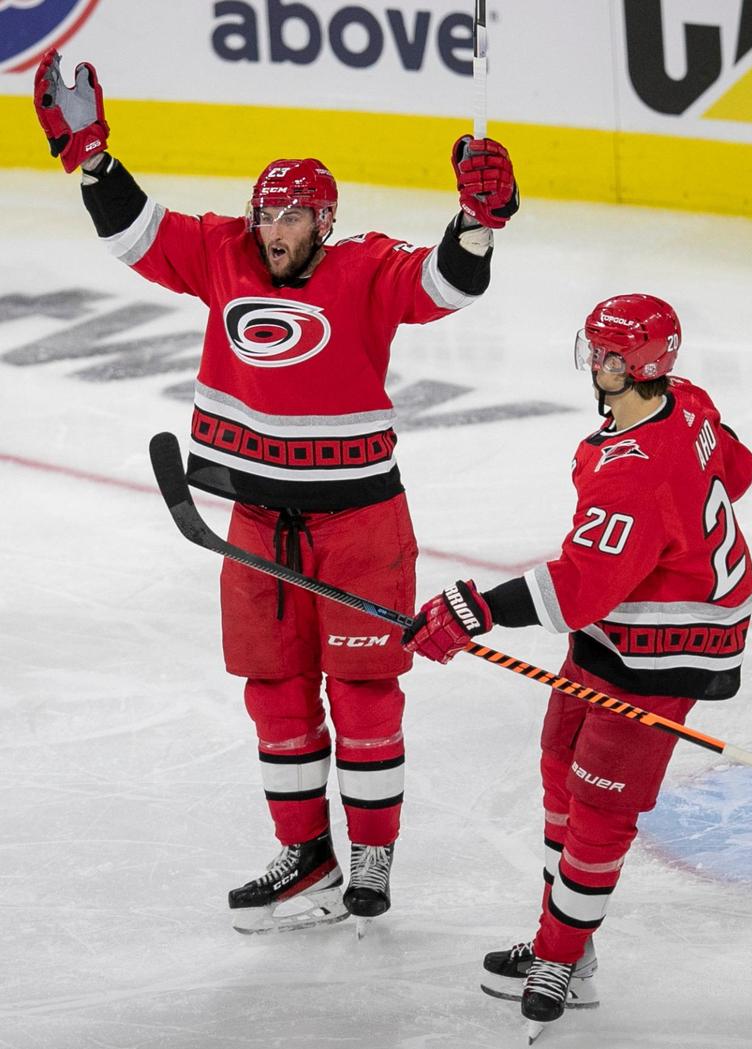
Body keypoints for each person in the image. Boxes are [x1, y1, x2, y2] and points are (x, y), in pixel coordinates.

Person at [33, 49, 519, 932]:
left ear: (323, 222)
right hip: (256, 523)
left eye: (291, 214)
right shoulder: (222, 253)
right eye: (266, 210)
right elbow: (138, 235)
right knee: (275, 687)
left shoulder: (366, 270)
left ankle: (371, 852)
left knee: (366, 687)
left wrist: (477, 224)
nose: (272, 226)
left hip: (361, 522)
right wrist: (93, 158)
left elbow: (446, 285)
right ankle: (308, 853)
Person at [402, 293, 752, 1037]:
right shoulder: (686, 401)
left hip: (669, 647)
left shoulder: (632, 467)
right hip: (623, 628)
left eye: (606, 355)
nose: (593, 364)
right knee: (561, 759)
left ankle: (564, 960)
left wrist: (474, 607)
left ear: (636, 366)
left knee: (600, 807)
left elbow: (577, 587)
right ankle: (566, 935)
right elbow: (739, 467)